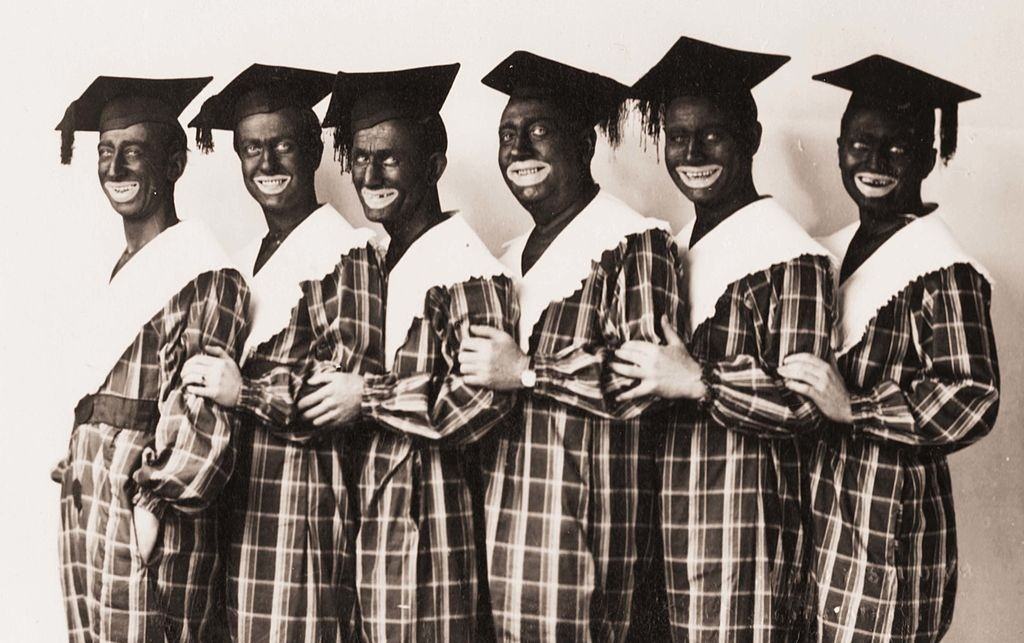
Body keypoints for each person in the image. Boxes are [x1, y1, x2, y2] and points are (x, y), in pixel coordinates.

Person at [464, 50, 684, 641]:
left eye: (539, 132)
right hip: (504, 525)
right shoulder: (505, 261)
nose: (520, 151)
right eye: (508, 136)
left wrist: (530, 372)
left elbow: (646, 381)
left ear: (584, 144)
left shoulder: (634, 243)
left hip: (586, 528)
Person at [621, 36, 836, 640]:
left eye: (712, 134)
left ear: (752, 137)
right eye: (677, 135)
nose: (691, 153)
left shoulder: (792, 257)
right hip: (661, 529)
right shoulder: (668, 251)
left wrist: (698, 380)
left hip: (744, 533)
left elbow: (804, 403)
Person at [779, 55, 999, 642]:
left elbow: (974, 395)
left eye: (897, 149)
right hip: (821, 520)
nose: (874, 164)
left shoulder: (942, 268)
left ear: (928, 157)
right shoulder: (832, 250)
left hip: (888, 531)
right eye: (859, 145)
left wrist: (856, 407)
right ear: (839, 149)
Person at [316, 62, 519, 642]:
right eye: (359, 156)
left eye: (391, 157)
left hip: (433, 523)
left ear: (433, 166)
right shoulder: (372, 264)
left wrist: (367, 396)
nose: (371, 173)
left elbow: (476, 405)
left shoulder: (468, 267)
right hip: (372, 520)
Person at [183, 64, 384, 642]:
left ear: (315, 151)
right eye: (251, 148)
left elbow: (343, 398)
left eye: (284, 146)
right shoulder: (240, 263)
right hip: (230, 502)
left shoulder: (350, 255)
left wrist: (242, 392)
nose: (267, 164)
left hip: (300, 503)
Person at [53, 76, 250, 642]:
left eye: (133, 153)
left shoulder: (205, 274)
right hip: (89, 498)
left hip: (145, 508)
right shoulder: (120, 266)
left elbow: (202, 415)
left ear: (174, 163)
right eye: (105, 153)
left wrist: (150, 509)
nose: (115, 170)